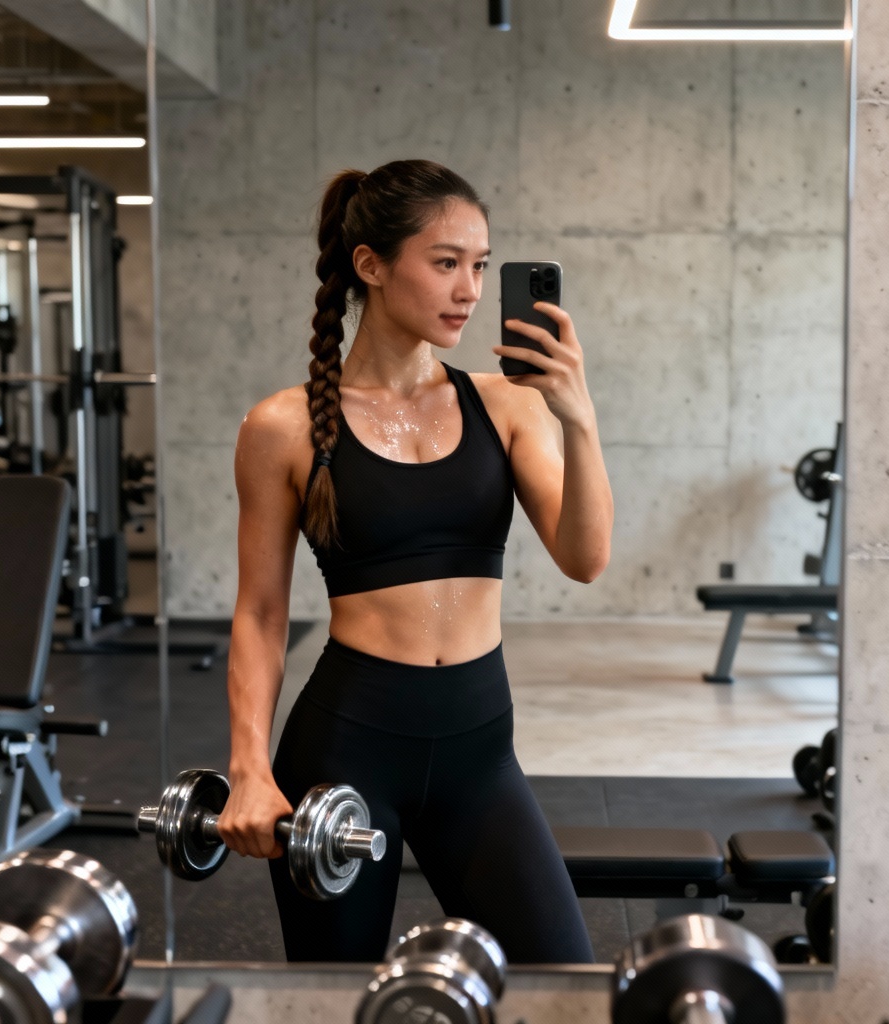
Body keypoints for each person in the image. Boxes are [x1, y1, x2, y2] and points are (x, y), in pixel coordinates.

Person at [216, 159, 613, 964]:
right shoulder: (282, 427)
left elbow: (585, 559)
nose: (469, 288)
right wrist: (248, 767)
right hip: (346, 748)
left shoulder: (505, 403)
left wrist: (579, 418)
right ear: (371, 265)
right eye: (445, 263)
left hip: (479, 749)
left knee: (562, 975)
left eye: (480, 265)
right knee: (336, 996)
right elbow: (260, 613)